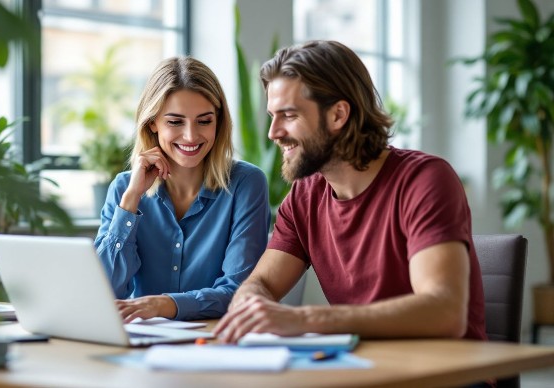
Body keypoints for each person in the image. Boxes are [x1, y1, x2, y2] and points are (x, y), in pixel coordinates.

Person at [214, 40, 487, 343]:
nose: (273, 133)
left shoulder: (425, 180)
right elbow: (261, 282)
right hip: (360, 367)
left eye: (289, 116)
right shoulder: (304, 197)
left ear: (338, 115)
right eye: (272, 116)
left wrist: (304, 319)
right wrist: (252, 305)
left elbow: (444, 312)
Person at [94, 56, 271, 322]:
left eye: (204, 121)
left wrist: (163, 305)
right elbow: (103, 292)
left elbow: (238, 291)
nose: (190, 136)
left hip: (215, 341)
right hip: (142, 343)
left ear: (218, 122)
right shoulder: (124, 188)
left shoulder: (246, 184)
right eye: (175, 122)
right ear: (152, 122)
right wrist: (131, 200)